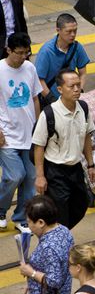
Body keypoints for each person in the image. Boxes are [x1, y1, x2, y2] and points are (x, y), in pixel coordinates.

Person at [32, 69, 95, 230]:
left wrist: (90, 164)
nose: (76, 89)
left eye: (78, 85)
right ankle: (60, 242)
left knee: (82, 205)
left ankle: (59, 234)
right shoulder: (49, 114)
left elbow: (87, 136)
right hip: (55, 172)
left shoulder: (83, 108)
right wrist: (40, 176)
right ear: (60, 89)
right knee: (60, 213)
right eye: (71, 86)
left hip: (75, 168)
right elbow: (38, 146)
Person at [0, 32, 41, 233]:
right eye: (19, 53)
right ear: (9, 50)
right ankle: (0, 210)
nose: (23, 57)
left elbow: (34, 98)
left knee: (31, 177)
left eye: (26, 53)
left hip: (29, 133)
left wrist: (39, 127)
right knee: (15, 175)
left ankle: (20, 217)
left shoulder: (30, 68)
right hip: (6, 134)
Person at [35, 14, 90, 101]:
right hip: (52, 101)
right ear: (58, 30)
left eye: (75, 31)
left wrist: (80, 90)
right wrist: (51, 99)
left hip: (71, 99)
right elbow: (39, 80)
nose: (73, 34)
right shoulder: (46, 51)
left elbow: (82, 73)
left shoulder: (77, 47)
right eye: (69, 31)